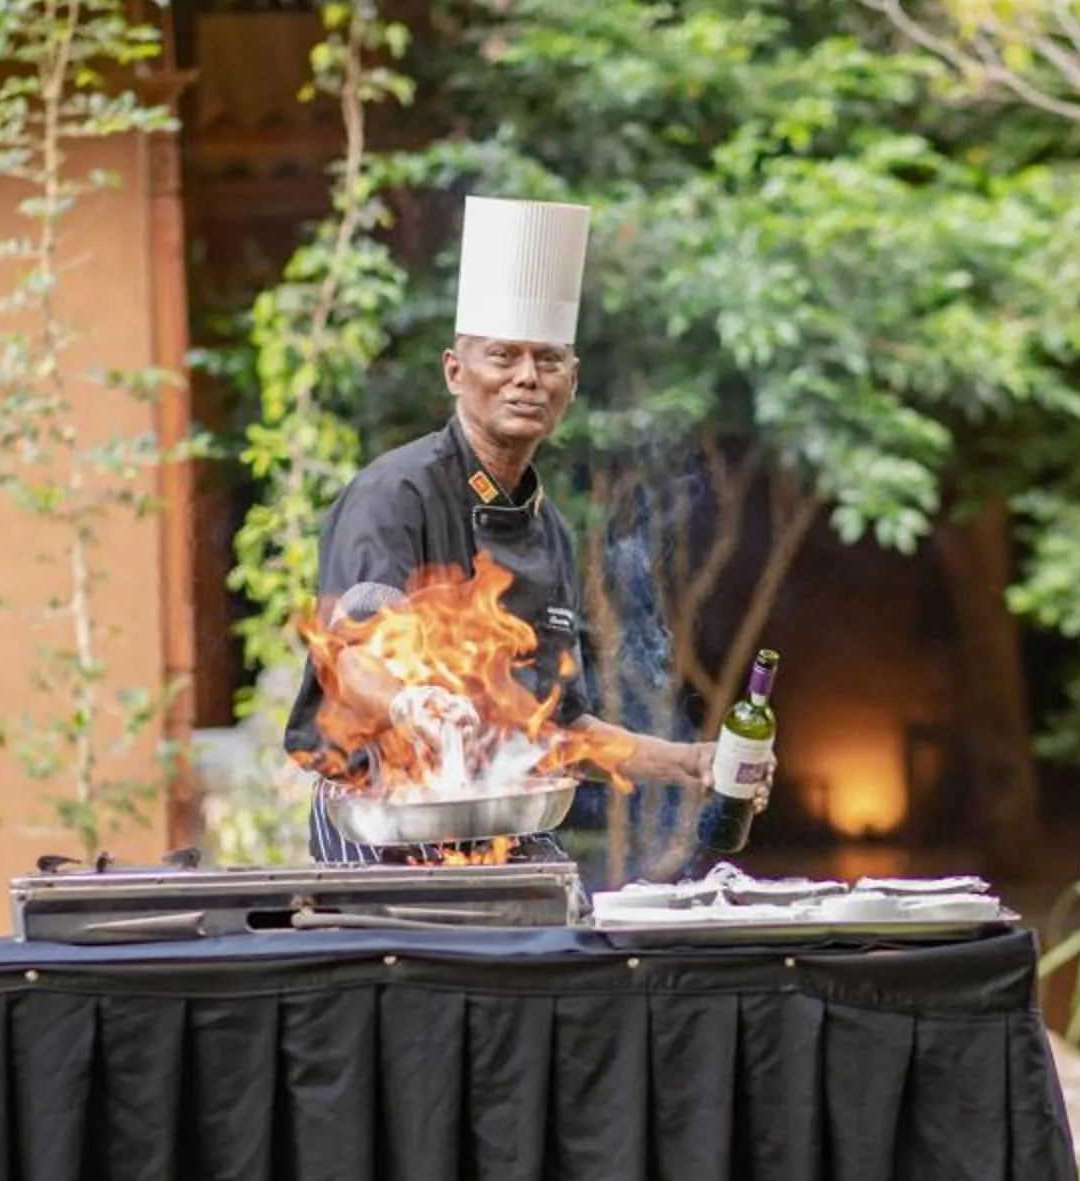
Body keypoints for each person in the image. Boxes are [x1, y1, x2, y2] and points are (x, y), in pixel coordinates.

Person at [284, 196, 741, 862]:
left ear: (572, 381)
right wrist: (413, 705)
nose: (527, 377)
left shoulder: (549, 529)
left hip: (501, 821)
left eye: (548, 360)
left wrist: (690, 762)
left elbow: (559, 729)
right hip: (384, 817)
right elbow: (349, 660)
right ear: (454, 371)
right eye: (503, 356)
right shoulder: (396, 493)